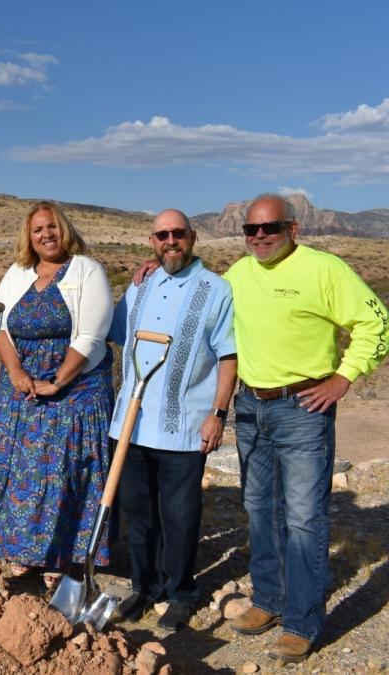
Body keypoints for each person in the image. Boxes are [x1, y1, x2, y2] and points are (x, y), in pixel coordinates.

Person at [224, 194, 388, 662]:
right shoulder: (237, 273)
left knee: (302, 518)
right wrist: (153, 271)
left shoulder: (326, 270)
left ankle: (301, 621)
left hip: (303, 408)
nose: (259, 237)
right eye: (250, 230)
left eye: (269, 228)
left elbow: (377, 322)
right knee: (259, 508)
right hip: (252, 407)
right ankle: (268, 601)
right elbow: (201, 299)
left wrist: (342, 380)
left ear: (293, 229)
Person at [0, 200, 113, 588]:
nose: (46, 235)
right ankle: (22, 551)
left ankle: (61, 555)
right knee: (18, 469)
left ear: (63, 229)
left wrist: (58, 382)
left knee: (60, 471)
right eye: (37, 230)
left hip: (74, 390)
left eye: (51, 227)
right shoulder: (19, 273)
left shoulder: (87, 270)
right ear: (28, 237)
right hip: (21, 388)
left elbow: (90, 335)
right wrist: (15, 372)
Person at [108, 209, 236, 631]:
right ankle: (145, 587)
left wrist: (218, 414)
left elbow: (227, 356)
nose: (170, 241)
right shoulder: (140, 286)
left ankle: (181, 591)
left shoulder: (216, 290)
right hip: (133, 424)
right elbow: (112, 335)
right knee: (139, 513)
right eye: (162, 235)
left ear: (193, 237)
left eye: (178, 233)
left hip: (184, 427)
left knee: (180, 515)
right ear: (152, 241)